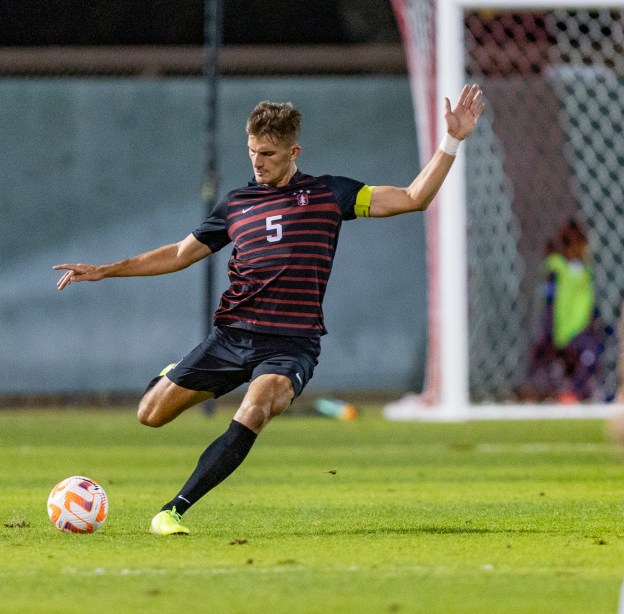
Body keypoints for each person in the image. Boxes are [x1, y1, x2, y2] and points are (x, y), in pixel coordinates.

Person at [53, 84, 484, 535]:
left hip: (290, 345)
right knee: (151, 415)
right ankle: (176, 372)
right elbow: (181, 254)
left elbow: (415, 197)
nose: (258, 163)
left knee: (256, 409)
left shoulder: (329, 195)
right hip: (231, 337)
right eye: (253, 152)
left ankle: (173, 510)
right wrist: (108, 270)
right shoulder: (236, 205)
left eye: (269, 154)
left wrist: (451, 142)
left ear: (294, 150)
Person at [520, 219, 606, 402]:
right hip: (562, 332)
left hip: (580, 330)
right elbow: (548, 305)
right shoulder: (556, 270)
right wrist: (549, 334)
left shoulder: (584, 271)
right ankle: (568, 394)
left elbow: (587, 303)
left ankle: (577, 393)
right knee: (549, 360)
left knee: (595, 349)